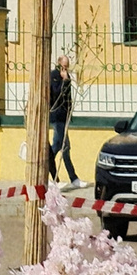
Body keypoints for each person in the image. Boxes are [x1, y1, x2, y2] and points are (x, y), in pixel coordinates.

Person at [45, 52, 78, 185]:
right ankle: (69, 177)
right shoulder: (54, 76)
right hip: (57, 115)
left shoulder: (66, 76)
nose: (65, 69)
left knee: (62, 146)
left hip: (64, 115)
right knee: (61, 146)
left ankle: (72, 178)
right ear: (59, 64)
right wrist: (64, 81)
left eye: (67, 66)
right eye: (64, 66)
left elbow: (67, 96)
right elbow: (57, 93)